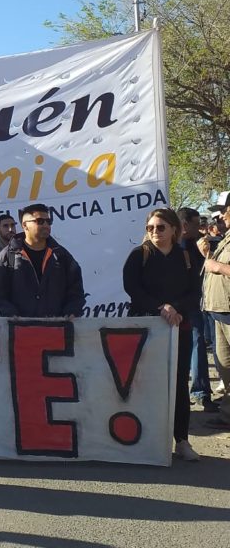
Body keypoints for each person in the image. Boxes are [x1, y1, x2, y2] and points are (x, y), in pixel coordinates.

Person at [123, 208, 199, 461]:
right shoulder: (139, 255)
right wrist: (161, 307)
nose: (155, 232)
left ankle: (182, 440)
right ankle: (146, 438)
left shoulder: (186, 255)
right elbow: (132, 288)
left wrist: (176, 308)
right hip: (147, 329)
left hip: (179, 327)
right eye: (150, 228)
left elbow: (195, 291)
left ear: (174, 229)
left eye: (161, 227)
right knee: (144, 382)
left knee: (178, 383)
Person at [0, 203, 85, 318]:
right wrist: (10, 314)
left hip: (56, 329)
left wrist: (72, 310)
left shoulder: (61, 255)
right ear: (25, 226)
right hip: (19, 330)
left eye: (48, 221)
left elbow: (76, 290)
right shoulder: (8, 256)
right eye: (40, 221)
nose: (46, 225)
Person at [178, 207, 217, 412]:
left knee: (197, 344)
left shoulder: (194, 244)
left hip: (194, 303)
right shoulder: (178, 246)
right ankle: (199, 392)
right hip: (182, 306)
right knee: (196, 345)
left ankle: (200, 391)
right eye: (196, 225)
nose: (200, 229)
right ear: (185, 225)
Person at [199, 192, 230, 432]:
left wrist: (217, 266)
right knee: (224, 366)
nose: (219, 217)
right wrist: (208, 257)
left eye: (223, 211)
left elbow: (220, 269)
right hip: (218, 310)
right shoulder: (227, 237)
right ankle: (227, 413)